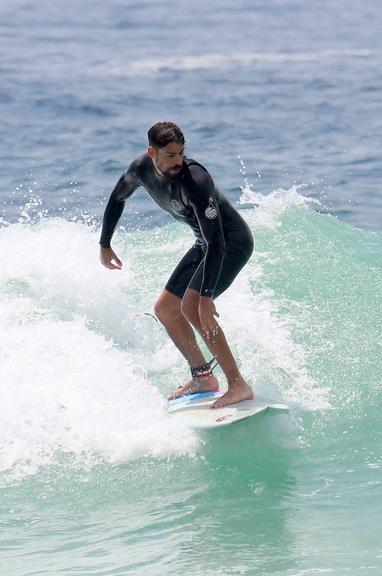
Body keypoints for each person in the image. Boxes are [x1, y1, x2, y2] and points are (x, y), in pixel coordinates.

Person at [99, 122, 254, 408]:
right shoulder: (140, 169)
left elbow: (218, 242)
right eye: (170, 155)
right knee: (166, 309)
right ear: (152, 152)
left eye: (181, 153)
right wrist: (105, 244)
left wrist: (205, 299)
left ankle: (238, 384)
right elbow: (118, 197)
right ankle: (203, 377)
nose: (178, 161)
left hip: (230, 243)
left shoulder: (195, 180)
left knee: (192, 307)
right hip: (205, 243)